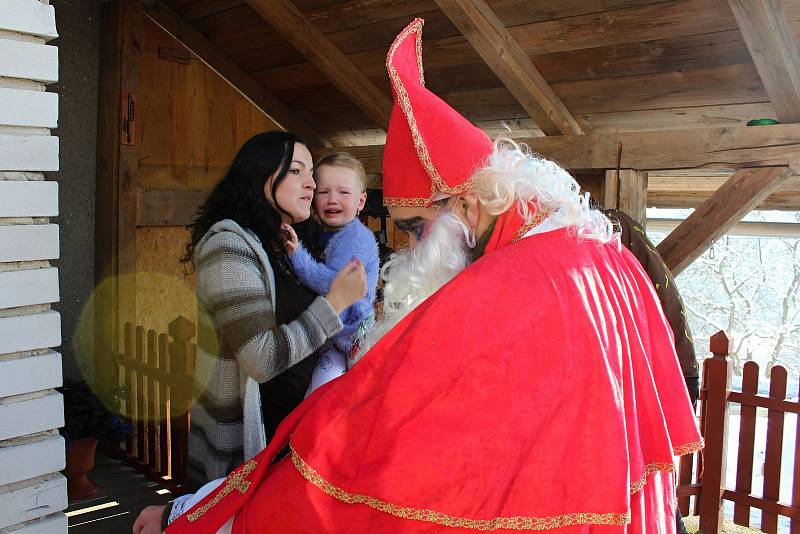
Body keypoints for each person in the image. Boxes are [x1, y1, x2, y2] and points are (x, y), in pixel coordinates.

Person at [135, 19, 701, 534]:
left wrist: (206, 518)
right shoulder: (593, 247)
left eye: (412, 227)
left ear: (465, 207)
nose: (405, 248)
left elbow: (378, 468)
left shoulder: (500, 292)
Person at [179, 131, 367, 492]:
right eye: (297, 171)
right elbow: (260, 359)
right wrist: (336, 303)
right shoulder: (228, 245)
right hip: (247, 446)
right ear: (261, 175)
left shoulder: (280, 242)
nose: (312, 184)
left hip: (290, 439)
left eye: (311, 172)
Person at [281, 152, 380, 394]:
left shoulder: (354, 238)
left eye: (343, 193)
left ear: (361, 201)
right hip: (335, 334)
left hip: (348, 342)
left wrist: (297, 258)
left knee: (320, 399)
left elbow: (336, 286)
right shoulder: (324, 233)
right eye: (323, 192)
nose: (332, 199)